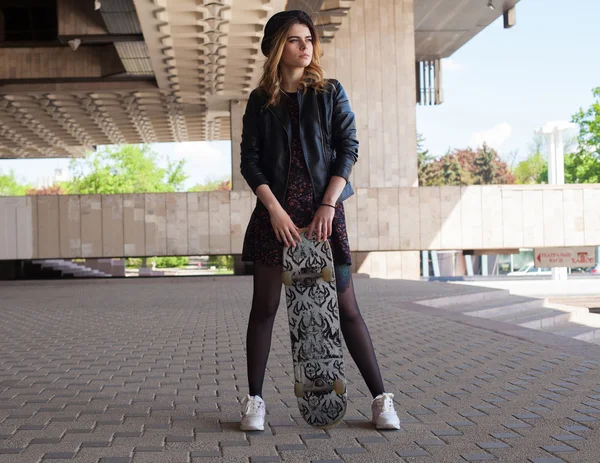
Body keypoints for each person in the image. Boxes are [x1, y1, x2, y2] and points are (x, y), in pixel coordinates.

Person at [238, 9, 400, 432]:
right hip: (277, 220)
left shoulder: (330, 92)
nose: (306, 45)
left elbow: (348, 148)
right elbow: (250, 162)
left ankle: (381, 400)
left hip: (323, 218)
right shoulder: (260, 101)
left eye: (309, 38)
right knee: (265, 309)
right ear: (277, 47)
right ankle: (255, 402)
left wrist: (328, 205)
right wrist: (273, 210)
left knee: (347, 310)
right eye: (295, 39)